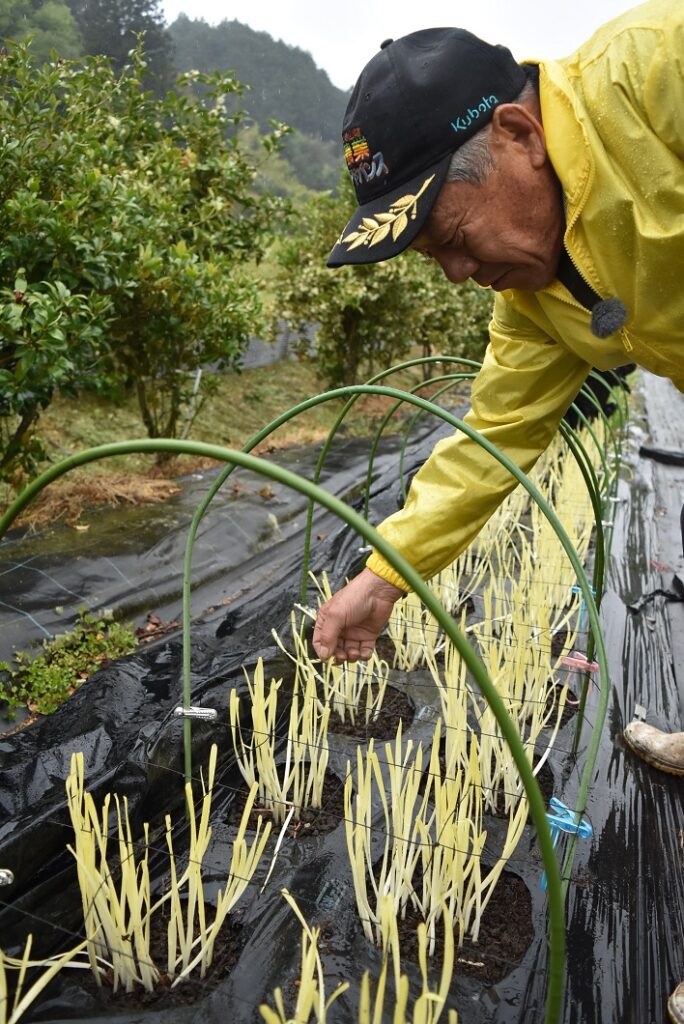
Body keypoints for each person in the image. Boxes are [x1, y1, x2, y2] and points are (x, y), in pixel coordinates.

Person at [311, 5, 684, 1017]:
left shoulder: (655, 75)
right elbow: (487, 445)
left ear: (517, 136)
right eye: (435, 261)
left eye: (449, 235)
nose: (461, 272)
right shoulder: (533, 297)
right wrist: (380, 579)